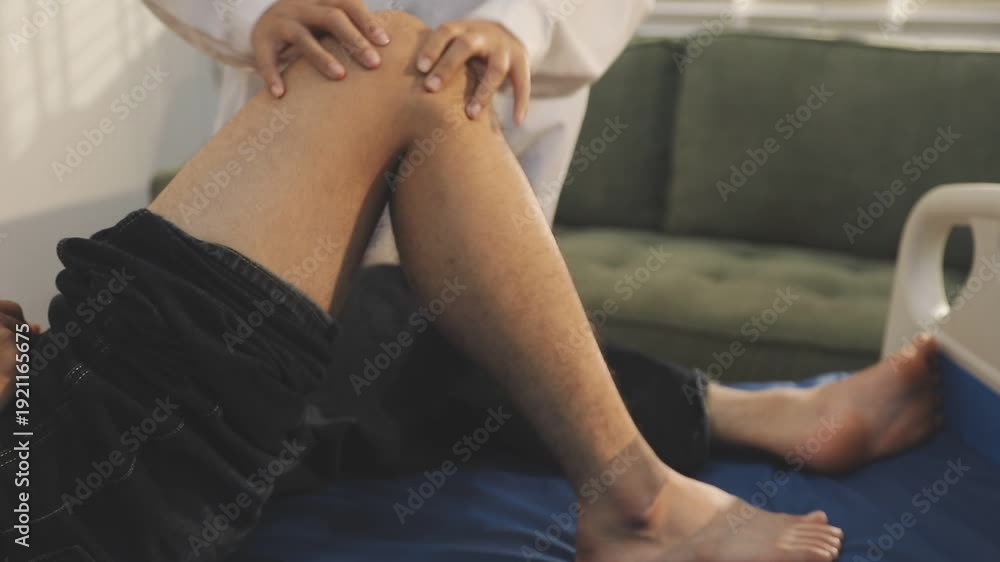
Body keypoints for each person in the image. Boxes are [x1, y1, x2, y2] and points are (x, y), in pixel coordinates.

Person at [0, 12, 940, 562]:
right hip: (33, 481)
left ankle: (739, 411)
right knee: (398, 69)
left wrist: (521, 20)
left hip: (35, 407)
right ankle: (641, 502)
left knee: (396, 316)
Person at [141, 0, 654, 264]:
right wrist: (252, 10)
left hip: (499, 133)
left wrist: (520, 23)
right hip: (295, 132)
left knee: (465, 369)